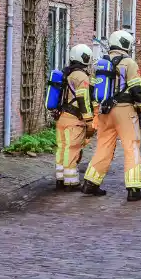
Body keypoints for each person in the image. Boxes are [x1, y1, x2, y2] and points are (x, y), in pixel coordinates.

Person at [82, 30, 141, 201]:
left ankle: (90, 183)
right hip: (125, 111)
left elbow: (95, 92)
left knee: (103, 147)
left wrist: (96, 113)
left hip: (105, 111)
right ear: (126, 44)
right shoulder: (129, 63)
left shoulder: (101, 63)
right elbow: (136, 90)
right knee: (131, 147)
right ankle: (134, 189)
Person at [54, 44, 94, 191]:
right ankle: (70, 182)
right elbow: (83, 99)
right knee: (72, 149)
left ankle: (60, 179)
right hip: (74, 120)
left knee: (62, 148)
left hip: (62, 117)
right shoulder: (81, 76)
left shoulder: (66, 73)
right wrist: (89, 119)